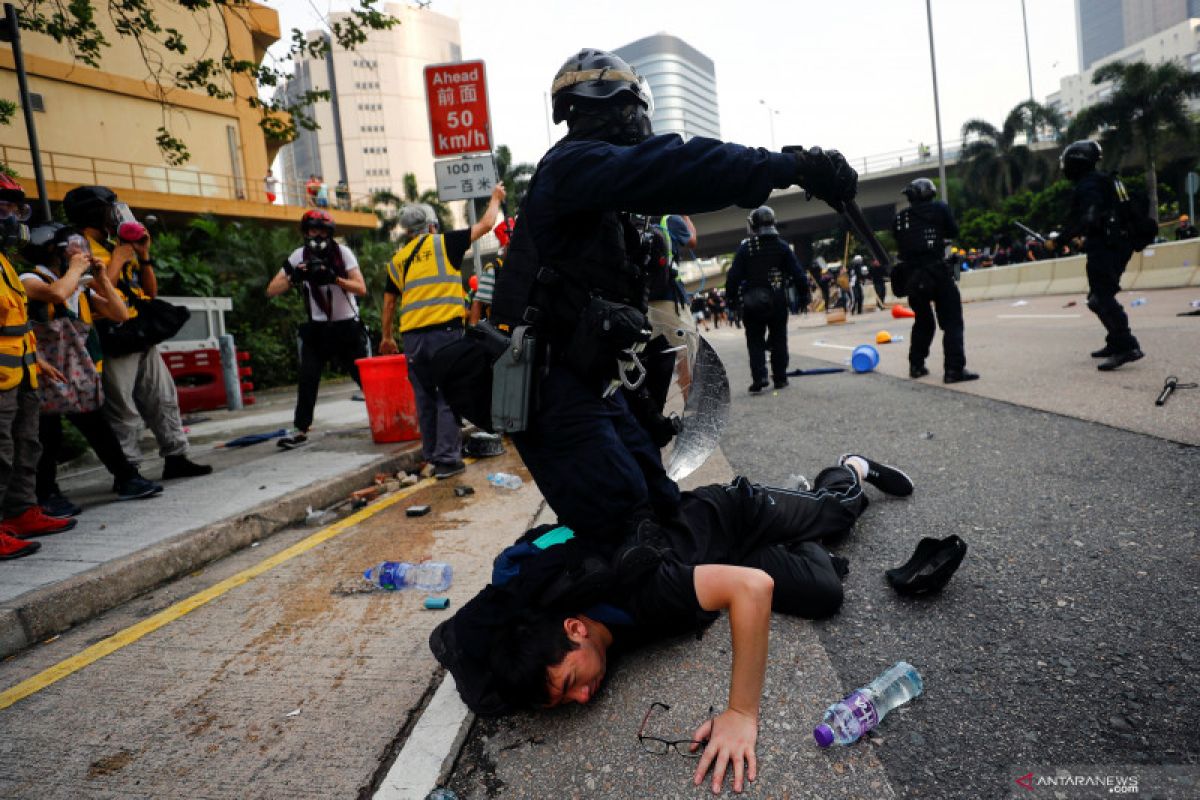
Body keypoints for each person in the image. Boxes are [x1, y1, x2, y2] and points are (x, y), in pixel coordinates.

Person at [486, 49, 856, 543]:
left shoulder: (598, 192)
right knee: (631, 536)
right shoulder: (574, 167)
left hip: (594, 386)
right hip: (559, 395)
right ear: (622, 107)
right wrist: (789, 166)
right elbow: (678, 165)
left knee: (661, 505)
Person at [431, 452, 914, 794]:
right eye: (563, 701)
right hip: (721, 566)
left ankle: (847, 468)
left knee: (839, 513)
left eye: (572, 682)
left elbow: (752, 590)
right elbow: (450, 640)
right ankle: (800, 536)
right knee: (825, 591)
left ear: (575, 628)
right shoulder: (540, 629)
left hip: (731, 517)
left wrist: (741, 715)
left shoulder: (635, 588)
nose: (581, 697)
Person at [62, 186, 212, 480]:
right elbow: (100, 289)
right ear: (94, 212)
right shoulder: (79, 248)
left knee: (162, 396)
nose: (115, 214)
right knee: (123, 408)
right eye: (108, 208)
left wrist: (143, 257)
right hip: (111, 333)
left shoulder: (116, 243)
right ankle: (128, 470)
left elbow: (149, 292)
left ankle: (176, 456)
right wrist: (117, 258)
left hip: (137, 330)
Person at [21, 224, 163, 515]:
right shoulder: (30, 278)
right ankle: (46, 494)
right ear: (53, 252)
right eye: (72, 248)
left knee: (98, 426)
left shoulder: (79, 287)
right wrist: (75, 271)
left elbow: (120, 313)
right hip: (43, 370)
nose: (80, 253)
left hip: (74, 372)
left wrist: (102, 279)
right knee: (47, 435)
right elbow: (56, 294)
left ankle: (126, 478)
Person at [382, 187, 505, 479]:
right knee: (448, 394)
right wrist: (496, 198)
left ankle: (434, 456)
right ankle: (449, 459)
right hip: (444, 335)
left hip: (412, 338)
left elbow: (389, 302)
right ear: (432, 225)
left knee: (425, 398)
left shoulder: (399, 259)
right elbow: (487, 224)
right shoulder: (444, 243)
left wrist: (387, 337)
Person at [0, 176, 78, 555]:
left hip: (21, 371)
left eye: (15, 210)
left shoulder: (5, 265)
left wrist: (37, 360)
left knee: (25, 445)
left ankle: (19, 511)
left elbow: (14, 323)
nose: (13, 218)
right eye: (5, 209)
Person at [266, 209, 369, 448]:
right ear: (306, 232)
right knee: (308, 377)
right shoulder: (298, 255)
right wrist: (295, 276)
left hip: (346, 327)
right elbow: (271, 290)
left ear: (330, 233)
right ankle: (300, 429)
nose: (318, 235)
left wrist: (334, 278)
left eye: (323, 231)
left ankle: (389, 415)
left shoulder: (343, 254)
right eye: (314, 230)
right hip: (318, 329)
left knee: (365, 378)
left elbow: (361, 288)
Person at [1060, 140, 1143, 371]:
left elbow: (1089, 216)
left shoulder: (1089, 185)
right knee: (1097, 297)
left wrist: (1059, 239)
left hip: (1108, 247)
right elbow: (1099, 218)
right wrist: (1082, 237)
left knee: (1102, 297)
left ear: (1076, 162)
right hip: (1114, 244)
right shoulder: (1101, 181)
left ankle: (1128, 346)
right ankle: (1115, 342)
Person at [893, 178, 978, 383]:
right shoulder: (939, 208)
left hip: (912, 277)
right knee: (952, 322)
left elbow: (901, 241)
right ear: (930, 193)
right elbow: (953, 231)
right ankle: (953, 370)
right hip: (937, 272)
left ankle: (916, 365)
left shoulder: (899, 218)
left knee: (923, 322)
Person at [725, 206, 809, 393]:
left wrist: (731, 300)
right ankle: (780, 378)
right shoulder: (782, 247)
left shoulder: (746, 248)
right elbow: (798, 274)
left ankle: (760, 377)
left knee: (754, 341)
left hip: (752, 303)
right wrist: (804, 295)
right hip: (778, 300)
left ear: (753, 225)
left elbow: (733, 277)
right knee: (779, 338)